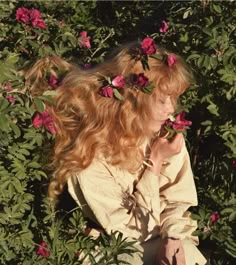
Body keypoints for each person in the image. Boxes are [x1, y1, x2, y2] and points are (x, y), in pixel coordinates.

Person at [26, 38, 207, 264]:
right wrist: (156, 162)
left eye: (174, 98)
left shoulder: (162, 134)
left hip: (161, 235)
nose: (172, 109)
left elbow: (177, 198)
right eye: (162, 100)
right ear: (134, 101)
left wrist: (173, 236)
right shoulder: (88, 152)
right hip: (113, 245)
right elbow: (132, 230)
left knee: (186, 258)